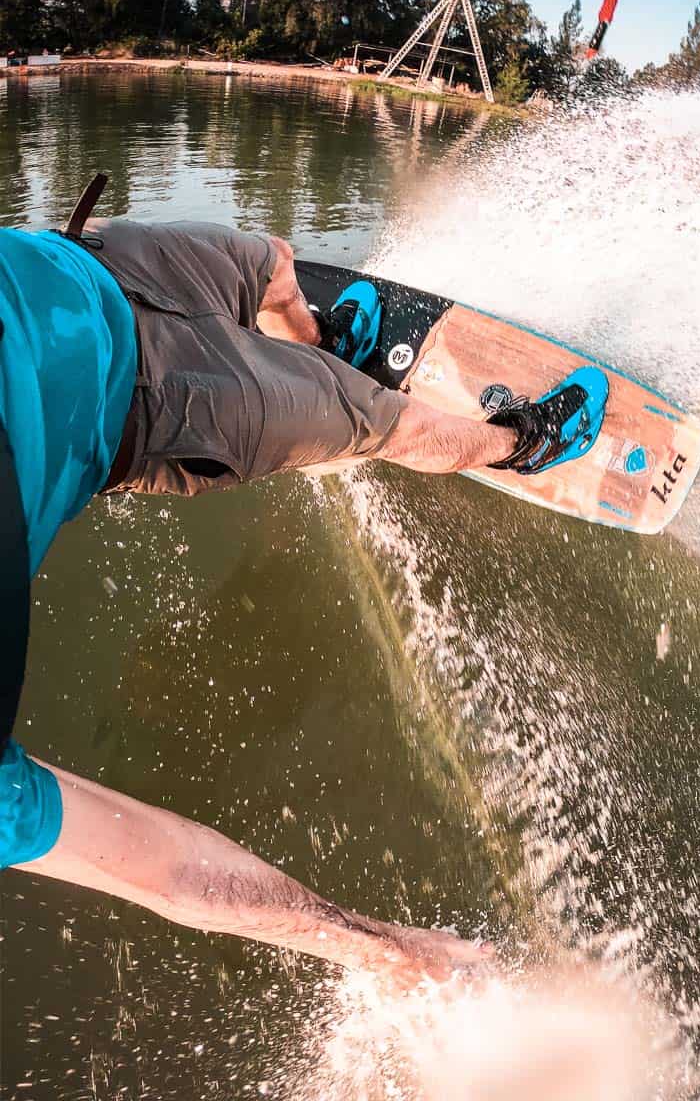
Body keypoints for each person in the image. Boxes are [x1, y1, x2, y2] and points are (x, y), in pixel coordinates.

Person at [0, 201, 517, 990]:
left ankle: (318, 348)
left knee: (274, 262)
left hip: (84, 261)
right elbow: (170, 874)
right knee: (392, 428)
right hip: (159, 400)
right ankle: (519, 442)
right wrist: (385, 950)